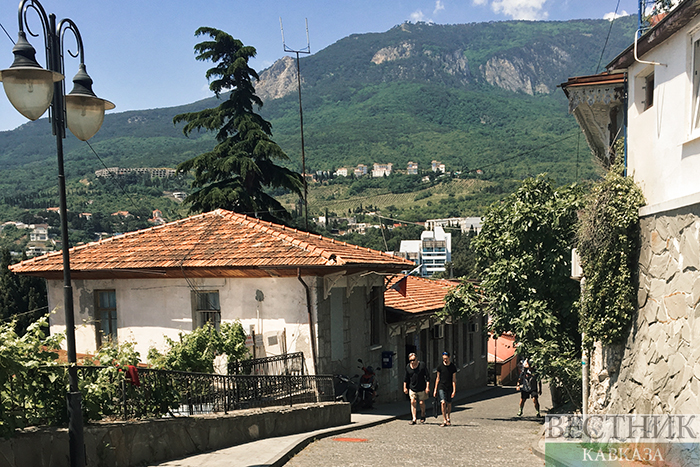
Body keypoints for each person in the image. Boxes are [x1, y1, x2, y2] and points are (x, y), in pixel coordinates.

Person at [403, 352, 430, 424]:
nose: (412, 362)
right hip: (412, 387)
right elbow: (406, 378)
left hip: (421, 387)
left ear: (416, 359)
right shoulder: (408, 367)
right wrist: (405, 387)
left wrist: (427, 387)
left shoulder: (422, 365)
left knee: (421, 402)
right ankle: (414, 418)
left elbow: (427, 377)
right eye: (410, 360)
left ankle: (423, 414)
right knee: (413, 401)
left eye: (413, 360)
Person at [433, 351, 457, 427]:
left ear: (449, 357)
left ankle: (448, 417)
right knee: (443, 402)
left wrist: (454, 390)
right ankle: (444, 419)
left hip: (449, 386)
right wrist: (435, 389)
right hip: (441, 386)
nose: (445, 360)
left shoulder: (452, 367)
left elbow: (454, 379)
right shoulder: (440, 367)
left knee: (449, 403)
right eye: (444, 359)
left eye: (446, 358)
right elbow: (437, 378)